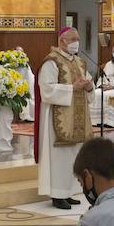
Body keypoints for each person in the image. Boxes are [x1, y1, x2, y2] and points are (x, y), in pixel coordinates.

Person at [35, 27, 92, 209]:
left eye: (78, 38)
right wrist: (71, 88)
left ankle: (68, 192)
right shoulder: (51, 62)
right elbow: (47, 90)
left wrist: (89, 86)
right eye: (73, 39)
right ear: (62, 41)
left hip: (78, 117)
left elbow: (88, 87)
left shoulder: (81, 62)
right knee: (59, 158)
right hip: (57, 119)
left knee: (73, 157)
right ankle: (57, 195)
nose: (77, 42)